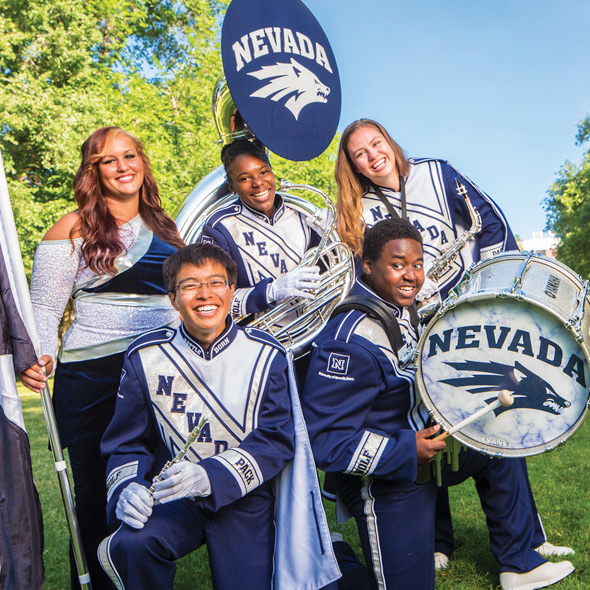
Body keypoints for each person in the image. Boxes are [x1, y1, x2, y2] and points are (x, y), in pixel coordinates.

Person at [334, 118, 573, 569]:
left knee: (499, 420)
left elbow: (492, 226)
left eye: (376, 143)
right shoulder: (358, 210)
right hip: (410, 326)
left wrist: (484, 294)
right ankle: (437, 541)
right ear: (353, 166)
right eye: (359, 154)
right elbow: (360, 274)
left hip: (467, 317)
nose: (372, 155)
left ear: (389, 141)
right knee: (427, 420)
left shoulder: (436, 173)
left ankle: (530, 539)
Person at [300, 218, 574, 590]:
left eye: (417, 264)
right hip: (383, 479)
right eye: (398, 265)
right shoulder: (347, 341)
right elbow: (325, 441)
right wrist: (404, 448)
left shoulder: (405, 309)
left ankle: (519, 562)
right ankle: (331, 557)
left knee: (499, 441)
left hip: (425, 452)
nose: (411, 276)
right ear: (367, 265)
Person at [97, 243, 339, 589]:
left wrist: (209, 476)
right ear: (172, 298)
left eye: (215, 283)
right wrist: (126, 488)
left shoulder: (267, 353)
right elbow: (126, 442)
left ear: (230, 291)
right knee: (131, 544)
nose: (204, 294)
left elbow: (276, 440)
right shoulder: (144, 355)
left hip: (244, 495)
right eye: (190, 285)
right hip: (174, 495)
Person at [19, 127, 184, 589]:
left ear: (142, 162)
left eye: (129, 155)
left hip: (159, 371)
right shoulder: (71, 227)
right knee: (96, 491)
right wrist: (40, 356)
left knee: (154, 488)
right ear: (93, 171)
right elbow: (46, 309)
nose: (122, 166)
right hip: (92, 377)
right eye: (108, 160)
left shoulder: (169, 228)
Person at [198, 138, 322, 319]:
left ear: (272, 173)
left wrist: (338, 234)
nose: (258, 183)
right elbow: (210, 300)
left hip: (317, 327)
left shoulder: (302, 214)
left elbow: (332, 272)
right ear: (232, 187)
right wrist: (269, 293)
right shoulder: (219, 228)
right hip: (256, 341)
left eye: (264, 172)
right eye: (245, 178)